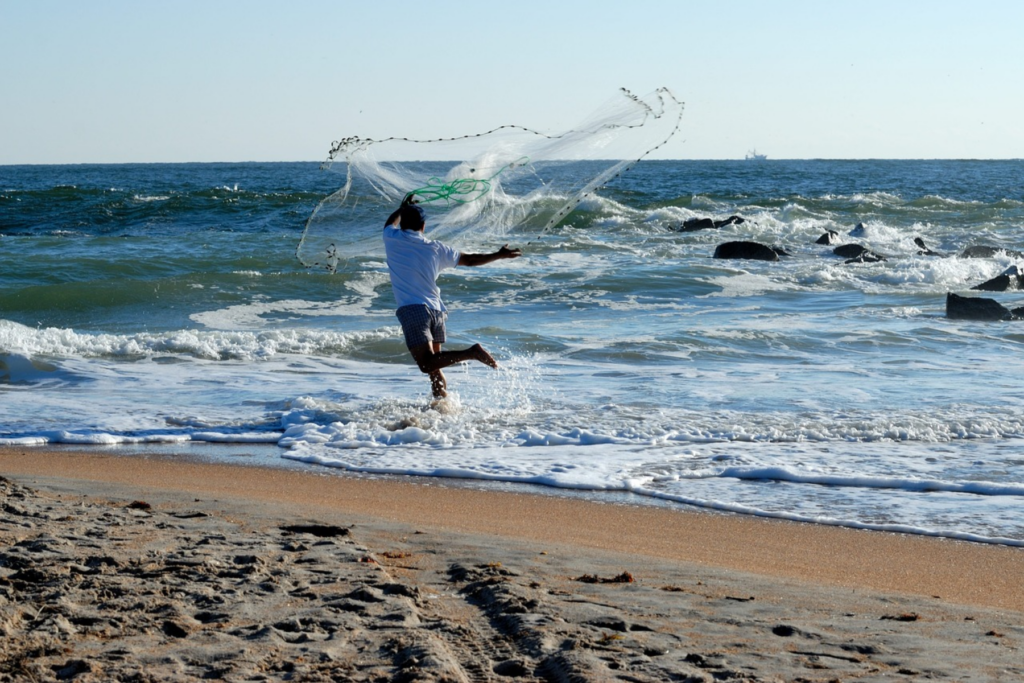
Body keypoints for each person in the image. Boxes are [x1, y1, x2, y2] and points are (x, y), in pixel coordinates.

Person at [383, 200, 521, 398]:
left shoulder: (391, 237)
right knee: (434, 368)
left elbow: (389, 223)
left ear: (402, 223)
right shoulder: (436, 248)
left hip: (413, 310)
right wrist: (499, 255)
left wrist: (401, 208)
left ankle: (471, 352)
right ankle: (441, 407)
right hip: (437, 311)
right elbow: (471, 260)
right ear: (423, 227)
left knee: (426, 364)